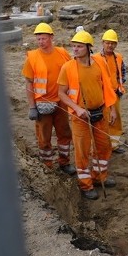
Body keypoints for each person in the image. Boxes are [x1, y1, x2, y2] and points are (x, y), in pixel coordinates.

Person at [57, 30, 118, 200]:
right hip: (80, 117)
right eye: (74, 46)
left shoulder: (99, 63)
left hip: (100, 113)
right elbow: (61, 93)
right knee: (82, 151)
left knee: (103, 147)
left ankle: (99, 177)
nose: (75, 50)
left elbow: (107, 87)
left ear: (88, 48)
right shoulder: (68, 67)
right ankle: (86, 185)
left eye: (79, 46)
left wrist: (112, 108)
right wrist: (77, 108)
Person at [21, 22, 76, 175]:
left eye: (44, 38)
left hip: (61, 103)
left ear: (51, 37)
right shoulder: (32, 57)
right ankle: (47, 164)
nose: (41, 42)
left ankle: (64, 162)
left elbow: (72, 72)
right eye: (38, 39)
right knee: (44, 137)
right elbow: (29, 83)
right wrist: (32, 107)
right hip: (42, 104)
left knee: (64, 133)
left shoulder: (62, 53)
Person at [99, 29, 127, 154]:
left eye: (112, 43)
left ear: (116, 44)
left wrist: (119, 86)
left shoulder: (118, 57)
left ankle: (114, 145)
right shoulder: (96, 58)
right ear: (103, 43)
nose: (110, 45)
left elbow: (122, 72)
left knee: (116, 120)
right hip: (101, 95)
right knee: (102, 120)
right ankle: (102, 145)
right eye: (107, 43)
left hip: (115, 94)